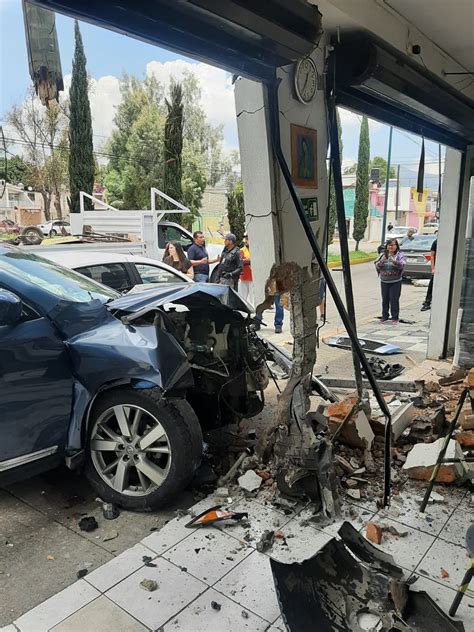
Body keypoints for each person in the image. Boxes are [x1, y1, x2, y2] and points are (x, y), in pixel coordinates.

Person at [374, 238, 406, 324]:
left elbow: (402, 265)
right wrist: (382, 261)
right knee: (385, 299)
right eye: (389, 245)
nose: (390, 247)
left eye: (392, 245)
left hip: (395, 281)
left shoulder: (399, 255)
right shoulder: (383, 255)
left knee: (394, 299)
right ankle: (384, 316)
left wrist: (395, 262)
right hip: (384, 281)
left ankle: (395, 318)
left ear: (396, 246)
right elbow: (377, 264)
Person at [421, 238, 437, 311]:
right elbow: (432, 256)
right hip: (437, 268)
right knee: (431, 285)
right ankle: (427, 302)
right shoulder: (436, 242)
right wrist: (433, 268)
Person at [239, 233, 255, 305]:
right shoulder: (242, 250)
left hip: (253, 277)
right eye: (245, 239)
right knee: (243, 296)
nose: (246, 241)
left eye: (247, 239)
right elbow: (239, 261)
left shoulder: (255, 250)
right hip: (244, 276)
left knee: (253, 297)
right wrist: (247, 260)